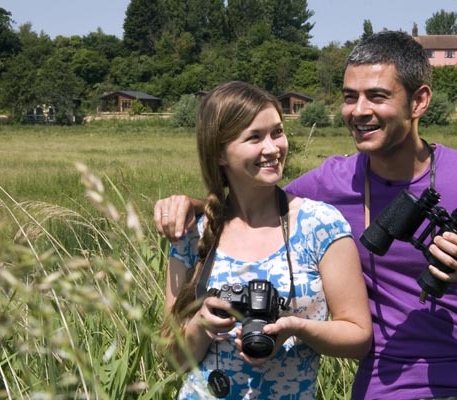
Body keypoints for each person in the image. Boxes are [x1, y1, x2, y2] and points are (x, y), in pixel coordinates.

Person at [156, 32, 457, 400]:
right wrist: (194, 207)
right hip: (383, 385)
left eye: (377, 96)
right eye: (350, 97)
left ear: (419, 101)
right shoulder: (330, 185)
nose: (359, 111)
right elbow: (254, 204)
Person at [159, 80, 372, 399]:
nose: (273, 148)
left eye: (277, 132)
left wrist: (296, 328)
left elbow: (358, 338)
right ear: (220, 153)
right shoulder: (194, 232)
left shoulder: (320, 225)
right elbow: (171, 357)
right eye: (254, 137)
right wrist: (202, 324)